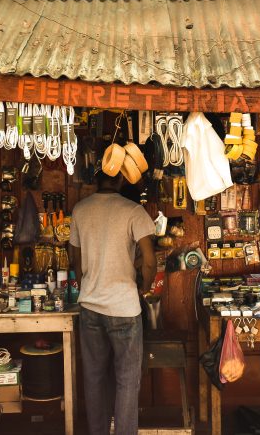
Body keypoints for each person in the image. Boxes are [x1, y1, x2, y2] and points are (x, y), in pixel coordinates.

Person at [69, 169, 156, 435]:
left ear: (96, 178)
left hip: (90, 306)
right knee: (127, 381)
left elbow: (75, 260)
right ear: (121, 179)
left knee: (94, 378)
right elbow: (150, 261)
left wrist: (88, 284)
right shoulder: (133, 211)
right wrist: (144, 287)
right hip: (124, 308)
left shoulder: (80, 210)